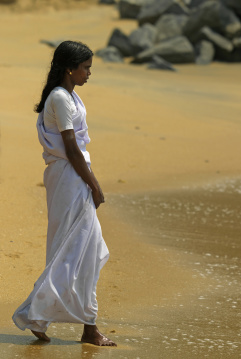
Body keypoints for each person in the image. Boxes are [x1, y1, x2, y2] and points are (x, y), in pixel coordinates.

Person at [12, 41, 116, 347]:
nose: (88, 73)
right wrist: (94, 185)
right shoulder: (60, 98)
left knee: (88, 251)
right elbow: (71, 149)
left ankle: (79, 325)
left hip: (74, 176)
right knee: (74, 250)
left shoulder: (69, 95)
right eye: (85, 68)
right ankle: (43, 315)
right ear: (69, 68)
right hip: (70, 179)